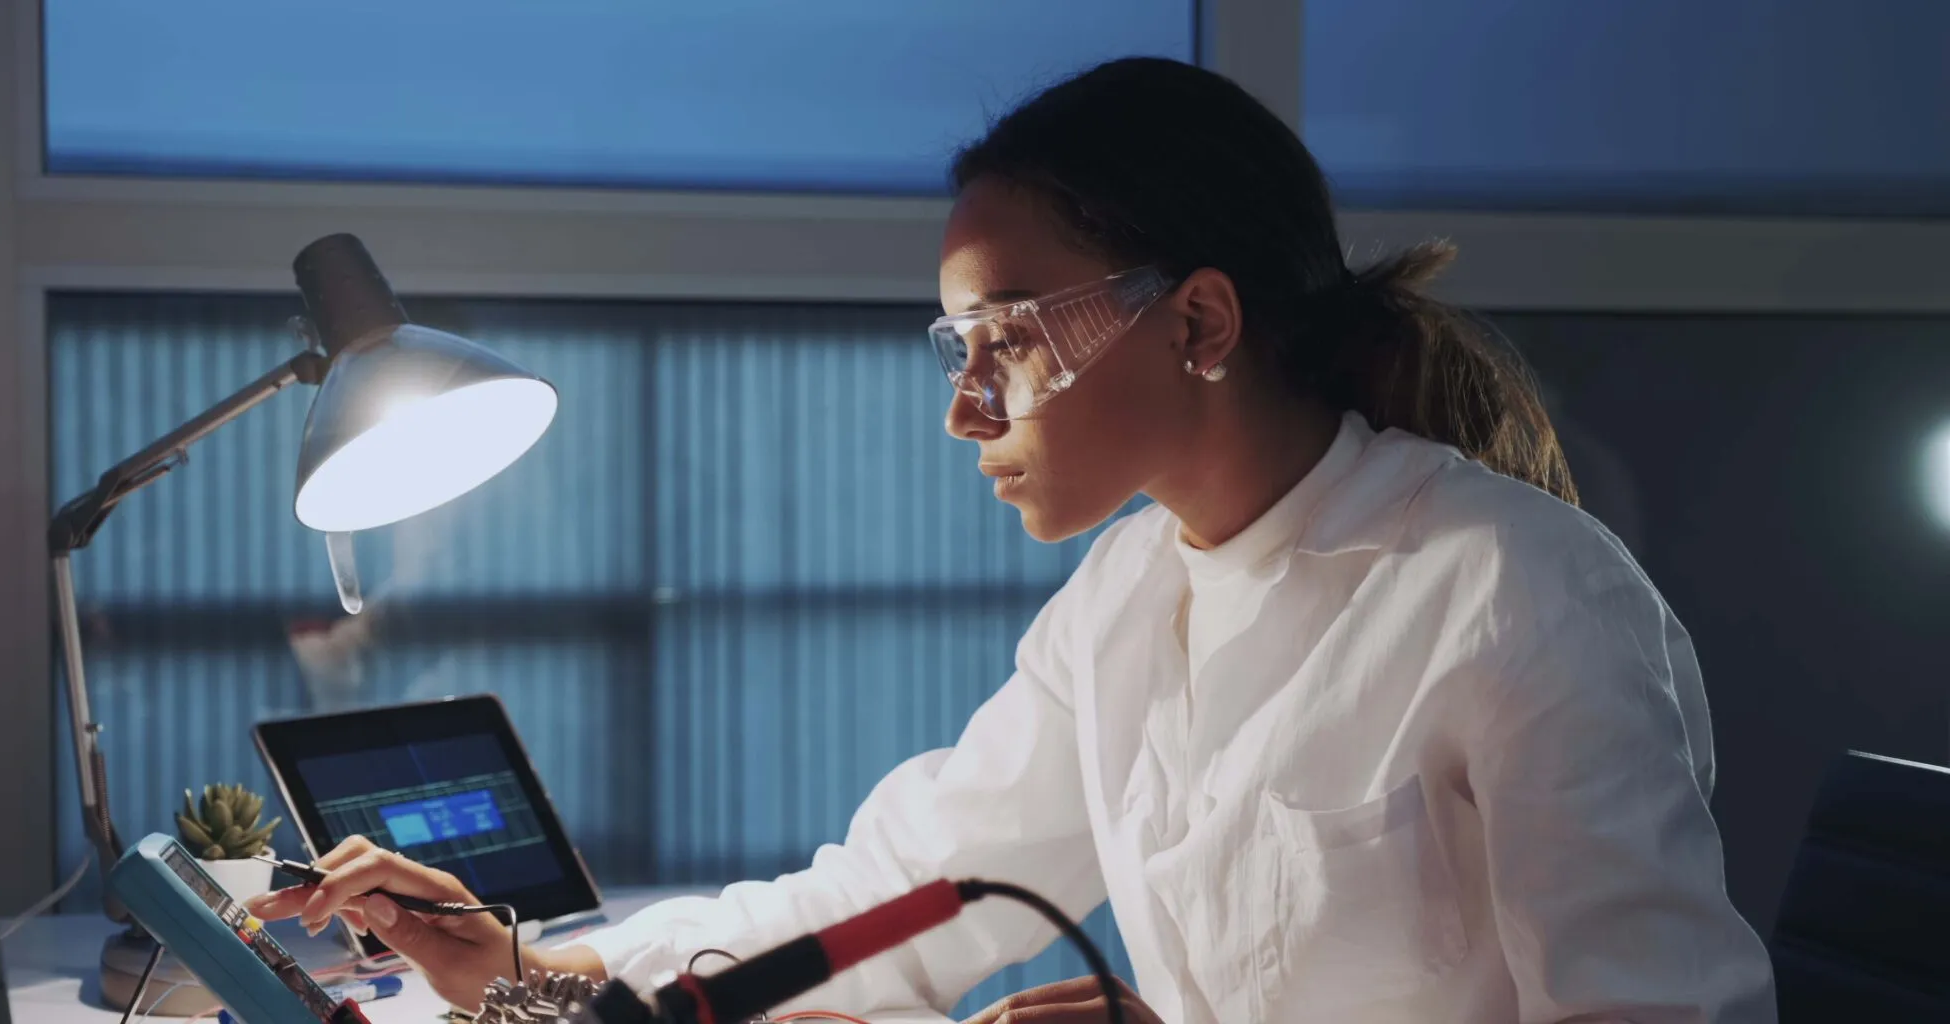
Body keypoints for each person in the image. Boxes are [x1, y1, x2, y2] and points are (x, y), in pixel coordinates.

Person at [249, 58, 1777, 1023]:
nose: (966, 406)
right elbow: (895, 906)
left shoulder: (1515, 600)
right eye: (951, 345)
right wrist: (528, 969)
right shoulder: (1131, 595)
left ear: (1200, 320)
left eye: (1009, 339)